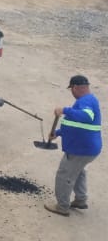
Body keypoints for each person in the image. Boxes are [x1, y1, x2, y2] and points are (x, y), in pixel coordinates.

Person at [45, 75, 101, 216]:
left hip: (81, 149)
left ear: (75, 87)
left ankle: (62, 207)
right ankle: (80, 200)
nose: (71, 92)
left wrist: (65, 110)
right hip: (87, 148)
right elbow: (76, 125)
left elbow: (86, 116)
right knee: (78, 171)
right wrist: (58, 132)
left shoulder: (86, 101)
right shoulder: (87, 100)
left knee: (64, 174)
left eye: (71, 89)